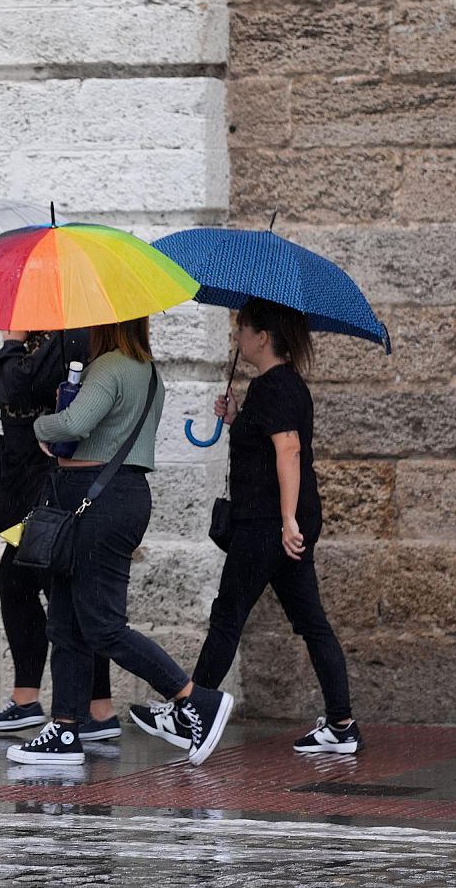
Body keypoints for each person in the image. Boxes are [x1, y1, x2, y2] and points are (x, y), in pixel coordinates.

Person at [131, 299, 360, 755]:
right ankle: (341, 724)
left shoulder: (275, 387)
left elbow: (289, 451)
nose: (238, 336)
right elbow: (269, 443)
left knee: (228, 616)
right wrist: (237, 418)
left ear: (262, 337)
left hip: (266, 525)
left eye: (242, 329)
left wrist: (287, 519)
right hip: (278, 525)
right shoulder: (283, 386)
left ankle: (190, 711)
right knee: (312, 623)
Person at [10, 318, 235, 767]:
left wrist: (41, 424)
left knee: (102, 625)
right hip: (113, 497)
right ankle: (66, 728)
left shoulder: (111, 367)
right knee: (66, 622)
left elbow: (74, 423)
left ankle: (195, 700)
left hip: (98, 499)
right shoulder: (148, 371)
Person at [0, 330, 121, 742]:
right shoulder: (40, 344)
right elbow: (14, 385)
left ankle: (96, 709)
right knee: (18, 583)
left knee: (64, 593)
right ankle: (32, 701)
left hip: (48, 486)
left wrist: (7, 352)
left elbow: (20, 384)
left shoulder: (68, 335)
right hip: (25, 484)